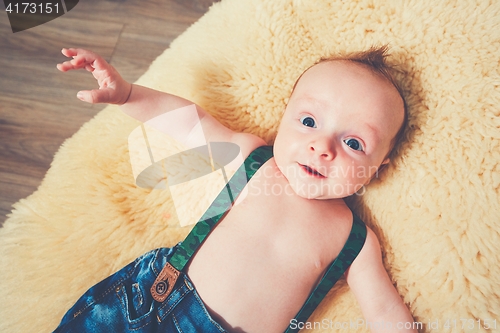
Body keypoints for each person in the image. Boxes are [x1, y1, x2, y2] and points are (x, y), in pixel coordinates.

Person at [54, 45, 416, 333]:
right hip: (148, 307)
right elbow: (187, 122)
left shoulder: (355, 239)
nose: (323, 147)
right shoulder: (251, 160)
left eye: (354, 143)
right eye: (309, 122)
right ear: (284, 117)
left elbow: (383, 311)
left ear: (377, 167)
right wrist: (127, 94)